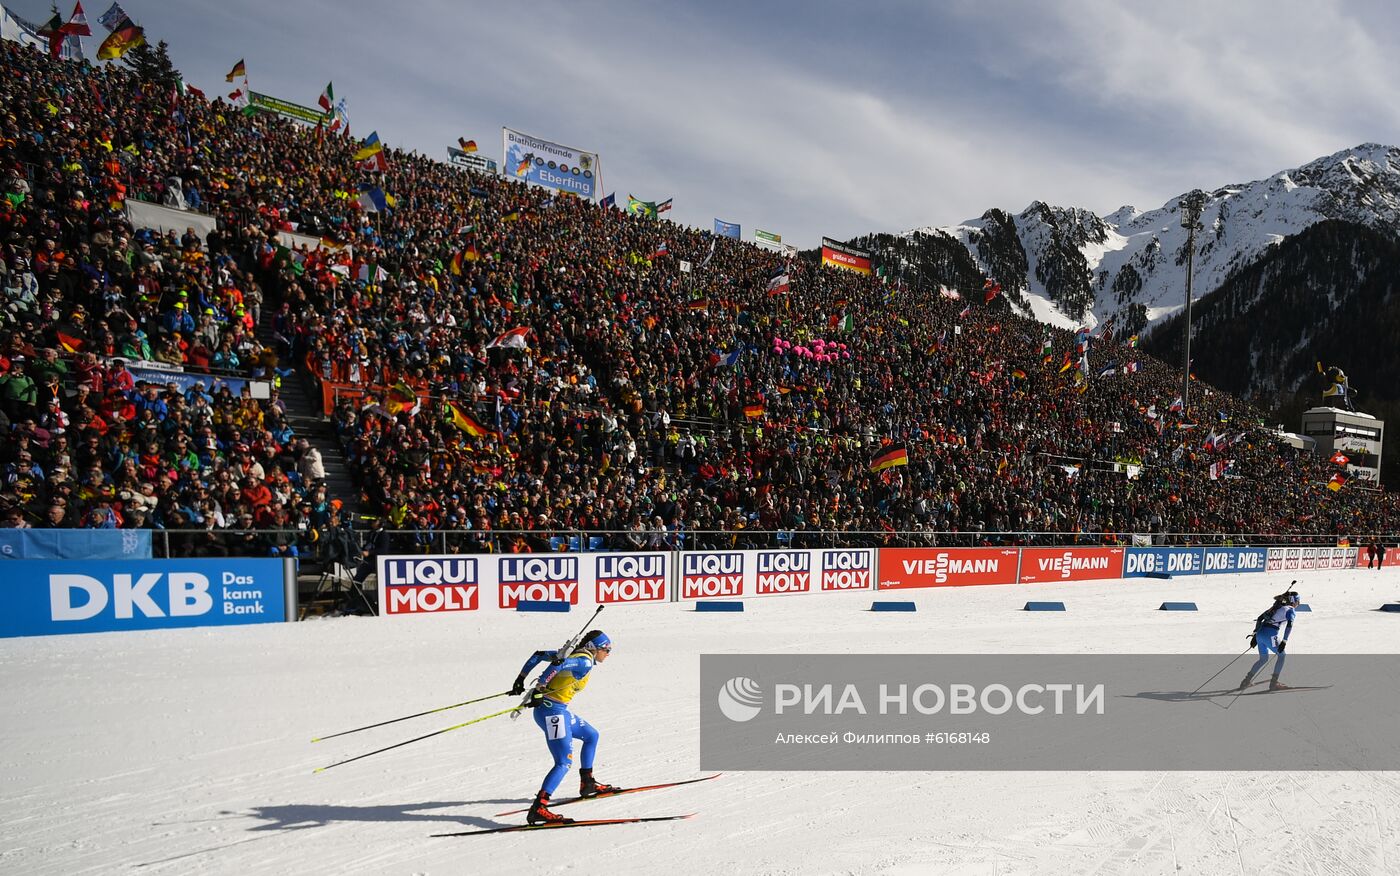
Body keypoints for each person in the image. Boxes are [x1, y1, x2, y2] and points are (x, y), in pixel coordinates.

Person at [510, 630, 619, 825]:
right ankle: (539, 808)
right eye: (606, 649)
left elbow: (539, 655)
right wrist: (540, 688)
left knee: (591, 735)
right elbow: (559, 665)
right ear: (594, 648)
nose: (608, 653)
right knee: (563, 762)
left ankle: (588, 783)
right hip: (553, 714)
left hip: (558, 710)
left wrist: (521, 678)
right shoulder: (584, 661)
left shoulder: (573, 654)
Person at [1240, 589, 1299, 691]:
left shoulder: (1276, 608)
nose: (1298, 604)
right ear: (1294, 601)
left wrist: (1255, 635)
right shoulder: (1290, 610)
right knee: (1282, 655)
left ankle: (1246, 681)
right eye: (1298, 602)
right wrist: (1284, 641)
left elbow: (1259, 618)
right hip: (1270, 634)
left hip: (1260, 634)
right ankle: (1274, 684)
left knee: (1263, 659)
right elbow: (1289, 625)